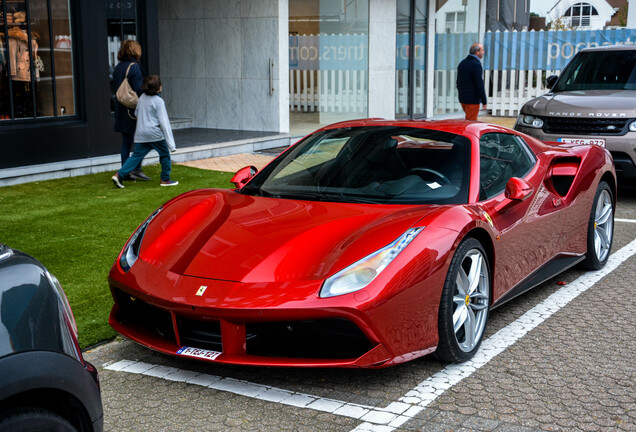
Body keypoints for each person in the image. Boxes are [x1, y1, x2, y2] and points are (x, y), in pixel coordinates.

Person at [111, 75, 178, 188]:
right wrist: (172, 145)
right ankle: (165, 179)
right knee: (165, 154)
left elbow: (136, 114)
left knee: (135, 157)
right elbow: (164, 122)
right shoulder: (159, 101)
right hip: (155, 134)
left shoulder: (141, 98)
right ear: (158, 88)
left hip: (140, 134)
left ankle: (119, 175)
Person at [112, 40, 149, 181]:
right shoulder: (134, 67)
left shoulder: (118, 67)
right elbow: (139, 89)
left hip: (121, 108)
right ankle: (136, 169)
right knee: (140, 141)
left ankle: (125, 171)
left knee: (126, 142)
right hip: (132, 109)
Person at [456, 43, 487, 121]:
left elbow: (458, 81)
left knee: (468, 119)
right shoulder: (476, 65)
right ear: (477, 52)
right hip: (472, 99)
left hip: (463, 98)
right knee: (471, 121)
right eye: (482, 50)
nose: (483, 52)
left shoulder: (462, 63)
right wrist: (484, 101)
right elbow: (479, 84)